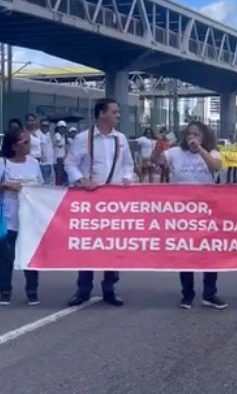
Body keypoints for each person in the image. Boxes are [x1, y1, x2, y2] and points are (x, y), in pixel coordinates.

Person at [65, 98, 136, 307]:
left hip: (113, 201)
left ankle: (110, 288)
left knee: (112, 245)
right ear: (102, 114)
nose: (118, 115)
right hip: (90, 199)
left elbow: (128, 164)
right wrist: (81, 179)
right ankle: (84, 288)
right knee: (88, 244)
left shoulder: (120, 138)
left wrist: (127, 178)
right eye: (115, 112)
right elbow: (70, 163)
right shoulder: (83, 138)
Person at [153, 121, 227, 310]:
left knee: (210, 254)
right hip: (183, 212)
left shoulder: (212, 152)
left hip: (207, 212)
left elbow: (216, 167)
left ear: (204, 137)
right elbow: (157, 161)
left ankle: (209, 294)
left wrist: (201, 150)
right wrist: (158, 147)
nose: (192, 137)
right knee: (186, 253)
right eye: (189, 134)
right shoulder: (176, 153)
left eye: (197, 134)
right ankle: (187, 294)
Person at [0, 124, 43, 306]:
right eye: (25, 142)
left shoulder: (33, 163)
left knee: (30, 256)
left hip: (29, 219)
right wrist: (7, 185)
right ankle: (4, 290)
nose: (29, 145)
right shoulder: (3, 163)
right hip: (8, 219)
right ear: (14, 146)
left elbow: (42, 186)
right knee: (6, 258)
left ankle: (32, 291)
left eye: (29, 142)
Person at [37, 118, 55, 185]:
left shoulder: (48, 134)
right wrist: (42, 156)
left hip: (50, 162)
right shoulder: (38, 133)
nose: (45, 127)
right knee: (45, 183)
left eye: (47, 126)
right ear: (40, 125)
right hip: (43, 163)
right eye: (43, 125)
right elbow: (39, 146)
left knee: (49, 182)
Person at [53, 121, 68, 186]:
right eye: (61, 128)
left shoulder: (63, 136)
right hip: (58, 159)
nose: (62, 129)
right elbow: (58, 143)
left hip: (62, 159)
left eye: (63, 128)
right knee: (59, 178)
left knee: (61, 178)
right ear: (58, 128)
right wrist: (58, 143)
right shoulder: (57, 135)